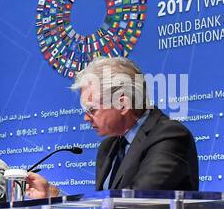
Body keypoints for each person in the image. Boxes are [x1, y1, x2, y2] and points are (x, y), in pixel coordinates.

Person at [27, 56, 199, 197]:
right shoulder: (108, 147)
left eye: (92, 109)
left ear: (122, 104)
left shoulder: (170, 136)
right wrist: (54, 195)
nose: (86, 118)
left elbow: (136, 203)